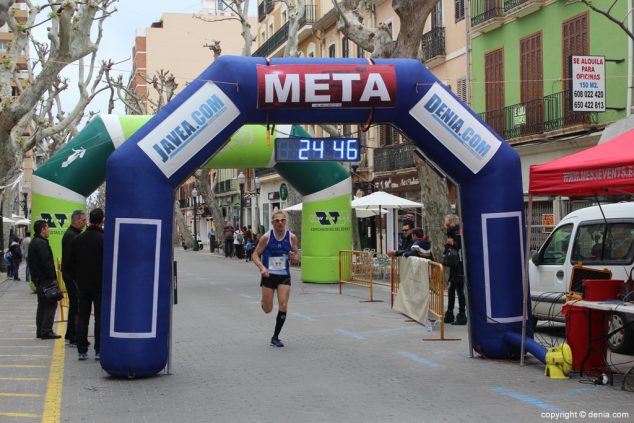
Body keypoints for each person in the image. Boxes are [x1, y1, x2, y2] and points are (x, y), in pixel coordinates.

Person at [252, 210, 300, 348]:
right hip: (268, 275)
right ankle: (264, 302)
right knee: (268, 309)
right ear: (272, 223)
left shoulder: (292, 237)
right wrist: (262, 267)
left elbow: (297, 257)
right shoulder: (266, 237)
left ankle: (275, 337)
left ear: (286, 221)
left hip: (284, 275)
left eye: (282, 220)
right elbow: (255, 255)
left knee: (283, 305)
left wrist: (294, 257)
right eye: (277, 221)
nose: (280, 223)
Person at [68, 208, 104, 361]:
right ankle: (99, 350)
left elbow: (69, 264)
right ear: (102, 220)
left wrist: (77, 279)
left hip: (82, 284)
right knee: (99, 317)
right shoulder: (104, 239)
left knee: (83, 316)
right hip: (99, 284)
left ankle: (81, 350)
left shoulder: (79, 239)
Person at [28, 220, 61, 339]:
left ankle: (40, 330)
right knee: (51, 304)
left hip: (38, 279)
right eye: (47, 228)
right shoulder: (41, 243)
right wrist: (53, 278)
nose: (49, 230)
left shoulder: (34, 242)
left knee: (42, 305)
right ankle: (46, 330)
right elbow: (46, 263)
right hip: (45, 280)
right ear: (42, 229)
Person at [61, 210, 86, 346]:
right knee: (76, 305)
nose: (84, 223)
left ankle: (71, 333)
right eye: (82, 220)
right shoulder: (71, 236)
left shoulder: (74, 234)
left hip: (71, 274)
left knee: (75, 305)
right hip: (72, 276)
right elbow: (72, 259)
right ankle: (73, 335)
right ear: (75, 220)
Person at [443, 214, 466, 325]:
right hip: (455, 265)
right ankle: (450, 313)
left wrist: (453, 244)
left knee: (459, 290)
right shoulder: (452, 232)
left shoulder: (458, 232)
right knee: (452, 289)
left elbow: (461, 247)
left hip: (458, 266)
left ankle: (462, 314)